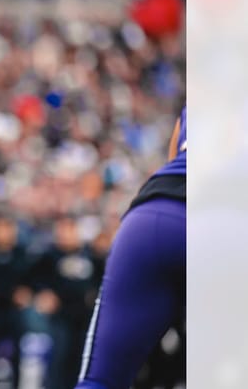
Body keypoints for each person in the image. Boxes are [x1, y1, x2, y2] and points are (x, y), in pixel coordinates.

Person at [76, 106, 186, 389]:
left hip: (152, 217)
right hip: (223, 222)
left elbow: (175, 158)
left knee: (100, 380)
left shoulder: (201, 101)